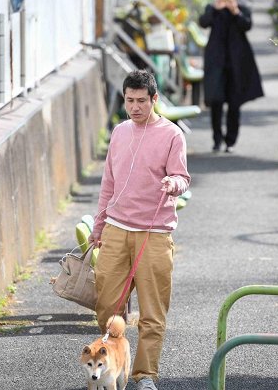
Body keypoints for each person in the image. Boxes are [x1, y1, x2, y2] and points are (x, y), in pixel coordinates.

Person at [89, 70, 191, 390]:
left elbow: (182, 177)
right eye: (130, 100)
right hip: (117, 229)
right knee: (107, 306)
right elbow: (108, 183)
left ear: (155, 99)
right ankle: (113, 365)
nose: (135, 107)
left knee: (152, 311)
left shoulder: (172, 135)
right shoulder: (119, 132)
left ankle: (145, 375)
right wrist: (99, 225)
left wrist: (172, 183)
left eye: (141, 101)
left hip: (155, 232)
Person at [199, 0, 264, 153]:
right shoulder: (213, 6)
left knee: (235, 102)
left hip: (237, 61)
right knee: (216, 101)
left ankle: (231, 141)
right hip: (217, 60)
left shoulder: (243, 7)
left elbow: (247, 26)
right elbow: (203, 22)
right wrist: (214, 9)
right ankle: (217, 140)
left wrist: (236, 12)